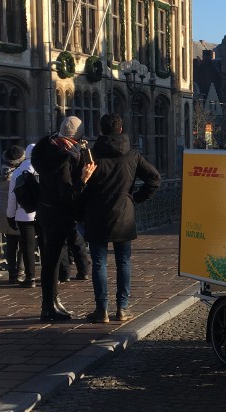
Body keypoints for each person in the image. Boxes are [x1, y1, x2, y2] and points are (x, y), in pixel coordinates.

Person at [82, 114, 160, 323]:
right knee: (123, 262)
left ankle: (102, 310)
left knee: (99, 263)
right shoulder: (133, 155)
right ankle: (122, 308)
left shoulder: (90, 155)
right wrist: (135, 198)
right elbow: (154, 178)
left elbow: (78, 187)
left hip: (96, 213)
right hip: (123, 213)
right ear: (121, 128)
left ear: (101, 130)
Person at [31, 116, 97, 322]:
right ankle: (48, 306)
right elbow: (67, 194)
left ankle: (53, 300)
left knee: (52, 260)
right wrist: (84, 179)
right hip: (57, 214)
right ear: (77, 136)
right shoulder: (61, 157)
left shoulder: (50, 146)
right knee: (51, 262)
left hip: (46, 211)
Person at [7, 143, 39, 288]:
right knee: (46, 246)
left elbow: (12, 197)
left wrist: (10, 215)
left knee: (27, 247)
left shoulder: (18, 172)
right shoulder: (43, 169)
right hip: (42, 213)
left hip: (24, 214)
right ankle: (51, 276)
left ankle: (30, 277)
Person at [0, 145, 25, 284]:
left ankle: (12, 272)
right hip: (17, 211)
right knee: (24, 243)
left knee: (11, 244)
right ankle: (20, 271)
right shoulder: (18, 173)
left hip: (2, 211)